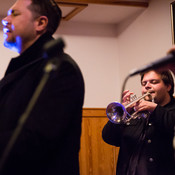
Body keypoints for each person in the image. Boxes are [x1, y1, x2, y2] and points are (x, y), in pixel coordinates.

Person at [0, 0, 84, 175]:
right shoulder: (22, 69)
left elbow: (35, 142)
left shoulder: (60, 68)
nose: (5, 20)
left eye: (14, 14)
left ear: (40, 23)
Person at [102, 69, 175, 175]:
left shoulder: (170, 112)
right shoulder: (136, 112)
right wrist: (123, 113)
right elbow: (109, 138)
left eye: (153, 82)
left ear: (168, 86)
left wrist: (155, 110)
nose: (147, 86)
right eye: (144, 83)